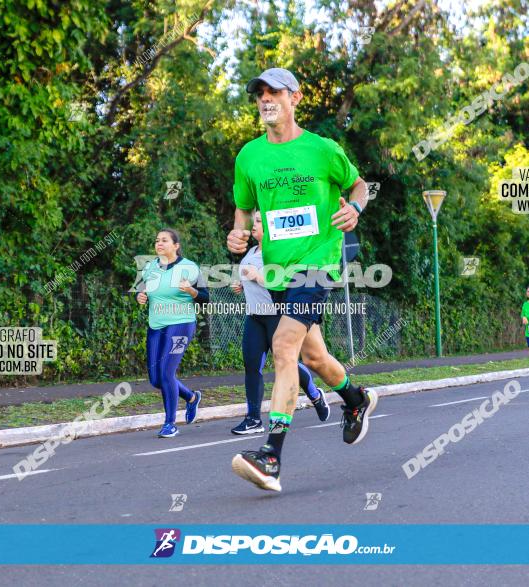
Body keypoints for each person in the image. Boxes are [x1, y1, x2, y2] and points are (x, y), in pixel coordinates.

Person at [226, 67, 377, 492]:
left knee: (283, 347)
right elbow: (243, 208)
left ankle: (271, 456)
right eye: (259, 93)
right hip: (276, 270)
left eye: (274, 91)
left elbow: (359, 184)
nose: (265, 99)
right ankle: (355, 399)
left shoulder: (322, 149)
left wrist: (356, 209)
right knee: (313, 357)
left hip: (318, 264)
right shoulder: (249, 157)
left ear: (295, 97)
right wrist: (238, 232)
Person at [230, 211, 330, 434]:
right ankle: (253, 418)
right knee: (251, 366)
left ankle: (314, 394)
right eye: (253, 220)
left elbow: (284, 283)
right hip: (255, 316)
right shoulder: (250, 253)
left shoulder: (280, 255)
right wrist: (241, 285)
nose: (253, 225)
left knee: (287, 364)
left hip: (278, 315)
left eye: (258, 221)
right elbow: (250, 279)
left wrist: (257, 277)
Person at [135, 229, 206, 438]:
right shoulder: (149, 267)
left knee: (167, 373)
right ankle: (192, 397)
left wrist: (192, 291)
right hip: (156, 326)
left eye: (164, 240)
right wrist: (140, 297)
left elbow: (205, 298)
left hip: (181, 324)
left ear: (176, 245)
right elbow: (143, 291)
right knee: (156, 379)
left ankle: (170, 423)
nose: (159, 243)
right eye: (157, 240)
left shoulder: (189, 267)